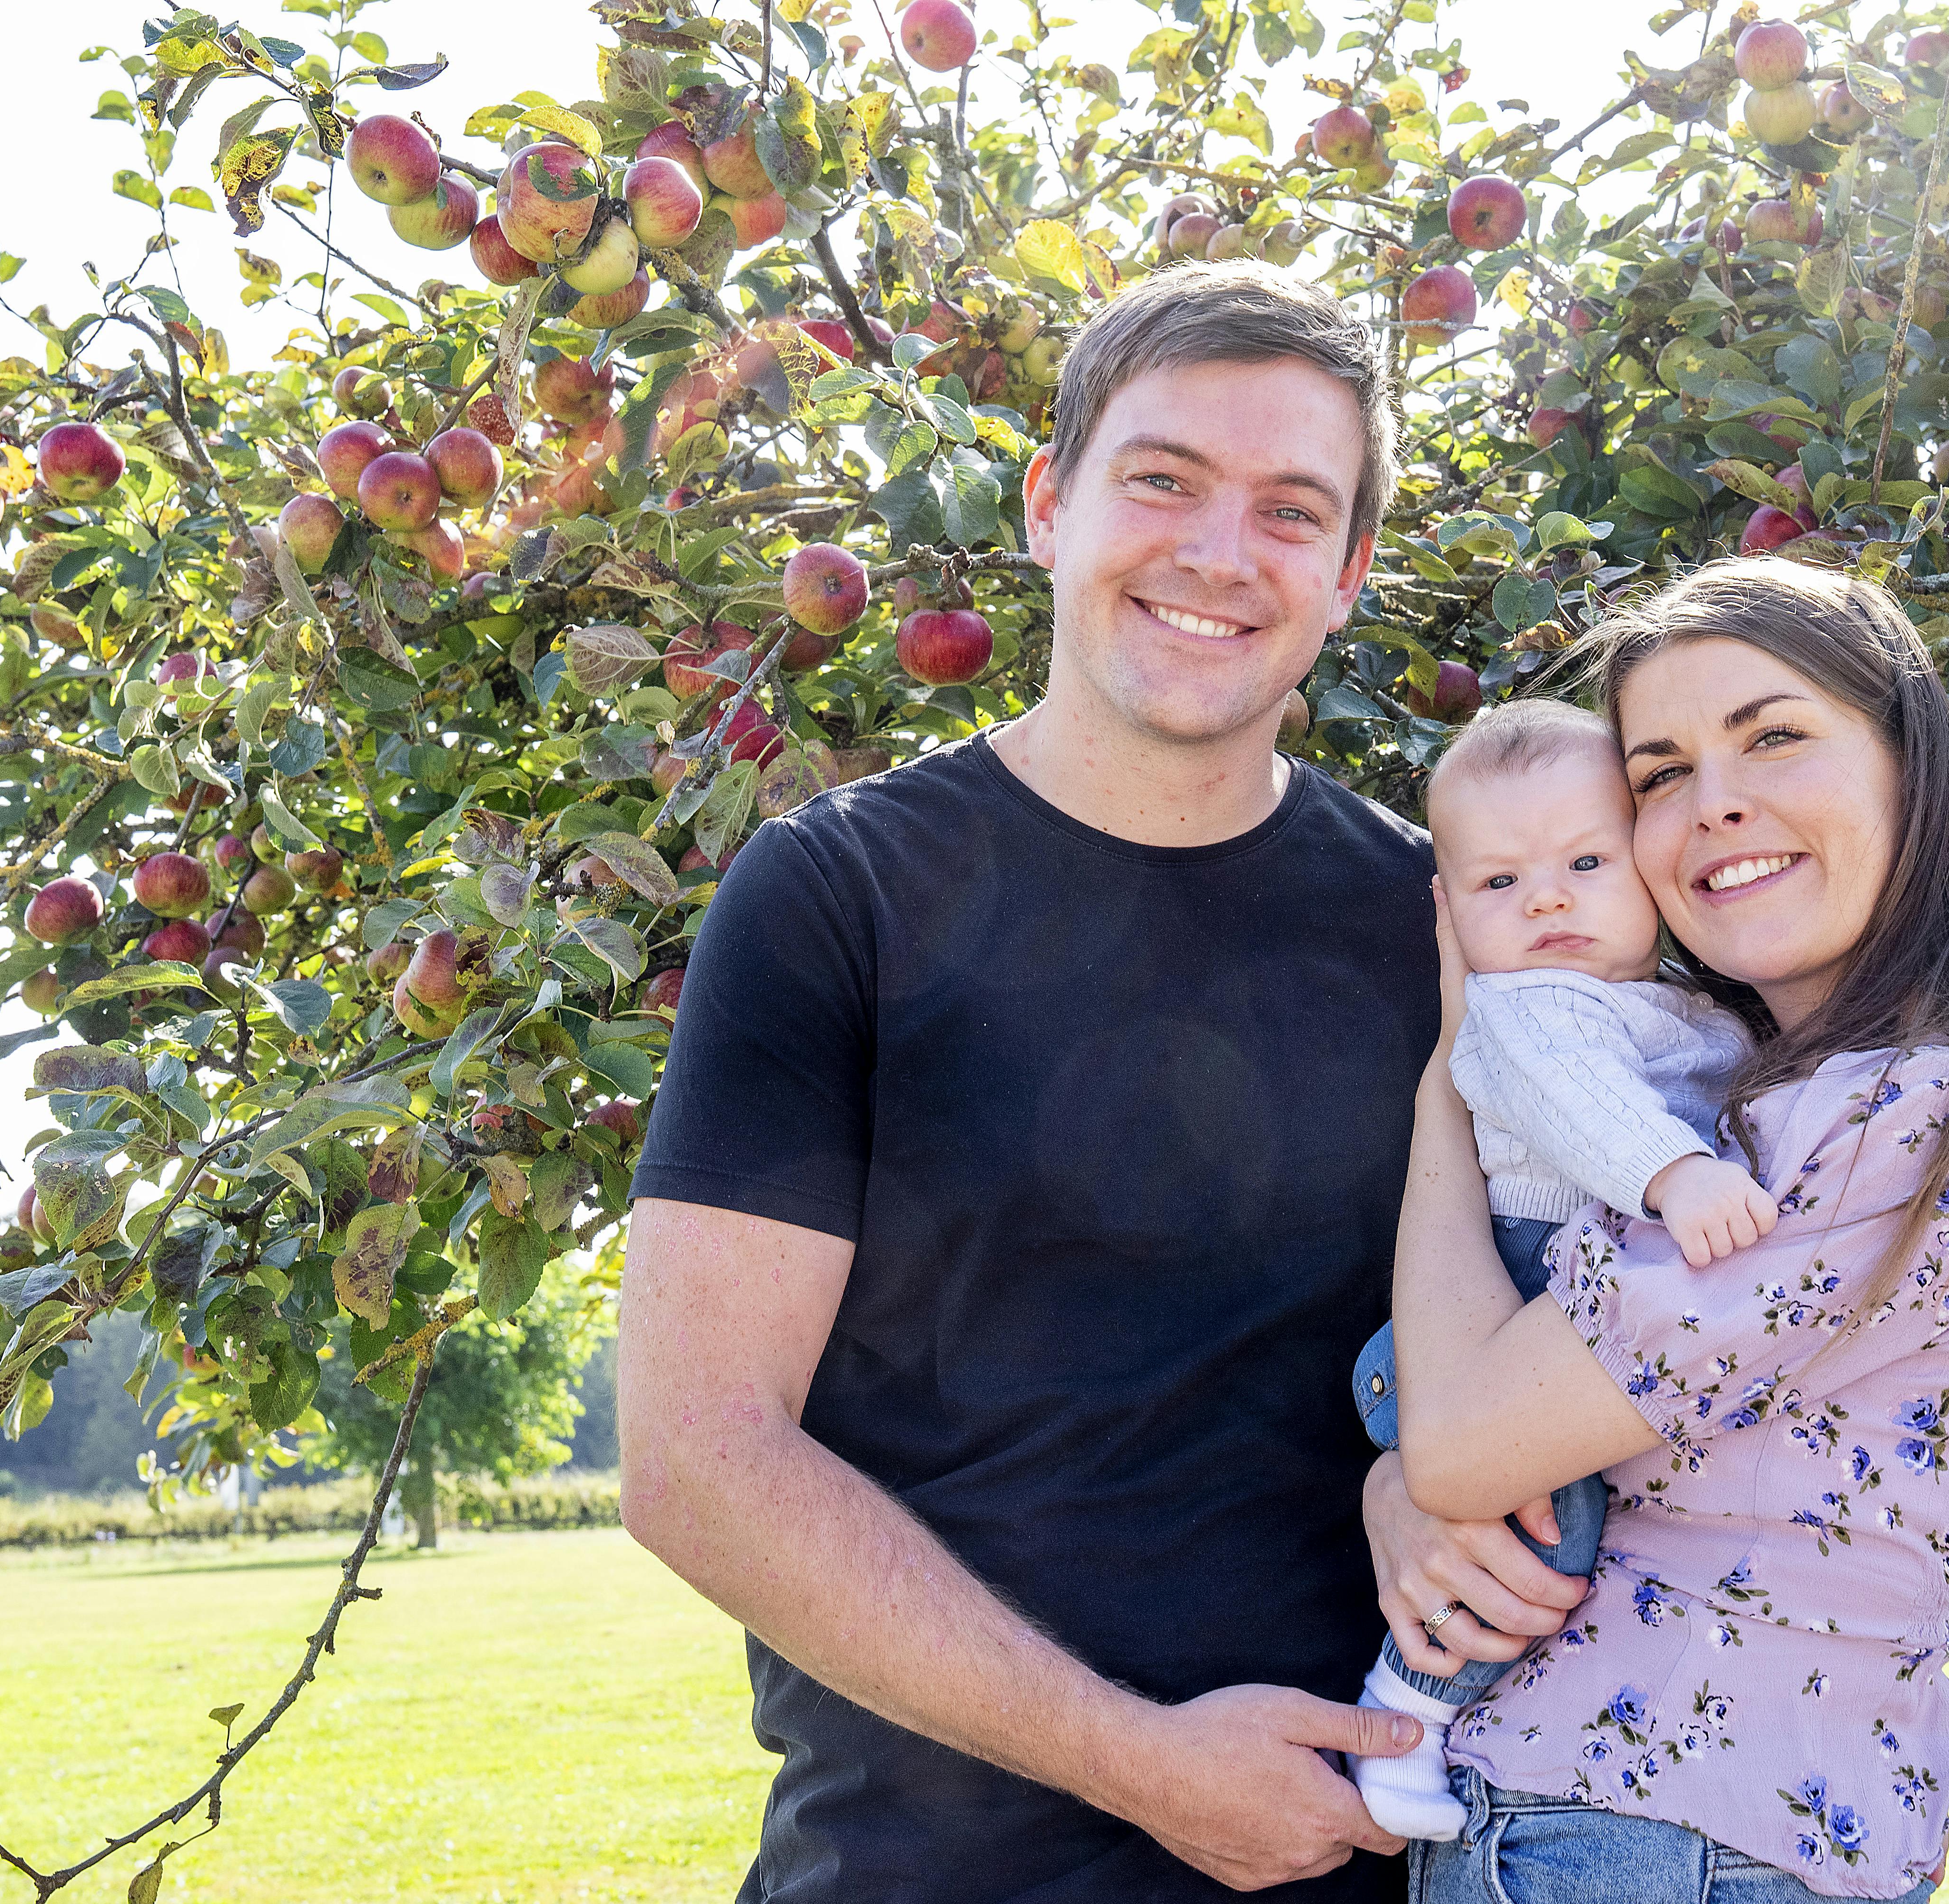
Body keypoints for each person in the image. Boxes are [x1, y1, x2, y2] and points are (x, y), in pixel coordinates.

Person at [614, 260, 1555, 1903]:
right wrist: (1144, 1765)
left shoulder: (1447, 931)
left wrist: (1429, 1477)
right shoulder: (835, 900)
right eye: (1165, 481)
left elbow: (1562, 1327)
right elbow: (699, 1458)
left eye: (1287, 510)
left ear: (1350, 573)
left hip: (1376, 1865)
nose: (1216, 552)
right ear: (1050, 505)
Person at [1386, 558, 1949, 1901]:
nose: (1713, 801)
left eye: (1773, 735)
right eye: (1657, 772)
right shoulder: (1762, 1102)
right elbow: (1500, 1454)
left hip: (1644, 1840)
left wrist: (1460, 1070)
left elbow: (1460, 1440)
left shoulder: (1904, 1116)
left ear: (1915, 772)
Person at [1341, 697, 1770, 1840]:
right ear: (1448, 908)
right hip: (1511, 1297)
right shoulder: (1524, 1007)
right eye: (1498, 883)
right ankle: (1411, 1704)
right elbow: (1577, 1108)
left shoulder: (1682, 1003)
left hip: (1565, 1302)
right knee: (1550, 1519)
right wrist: (1679, 1174)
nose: (1545, 898)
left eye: (1586, 860)